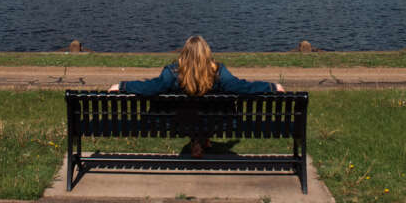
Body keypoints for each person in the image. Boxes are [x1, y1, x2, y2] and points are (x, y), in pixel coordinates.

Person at [108, 34, 284, 156]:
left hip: (178, 123)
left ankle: (197, 141)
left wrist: (123, 85)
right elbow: (241, 87)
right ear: (207, 53)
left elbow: (151, 87)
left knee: (189, 112)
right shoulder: (219, 73)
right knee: (207, 112)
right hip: (218, 122)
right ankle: (202, 139)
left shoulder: (173, 73)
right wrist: (271, 86)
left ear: (184, 53)